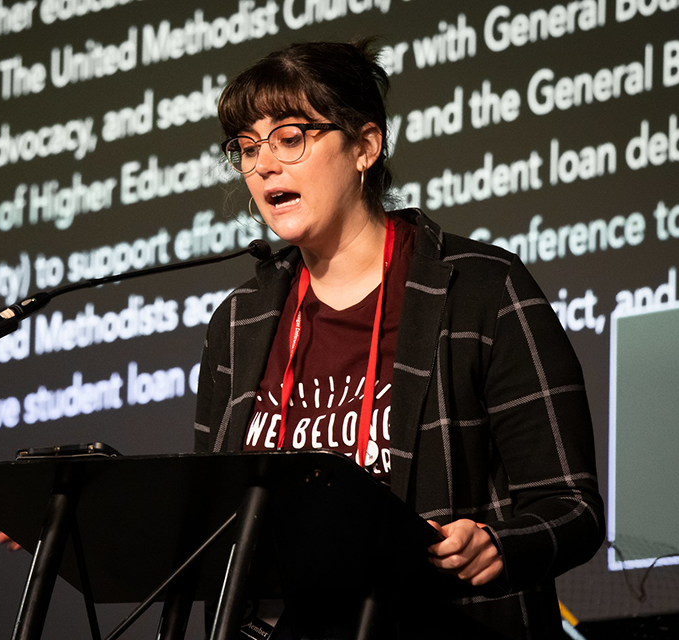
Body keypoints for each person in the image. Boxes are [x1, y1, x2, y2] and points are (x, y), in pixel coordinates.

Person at [194, 40, 604, 638]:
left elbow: (573, 506)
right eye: (247, 147)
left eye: (289, 138)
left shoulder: (481, 290)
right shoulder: (240, 323)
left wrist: (498, 543)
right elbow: (213, 522)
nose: (263, 166)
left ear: (364, 147)